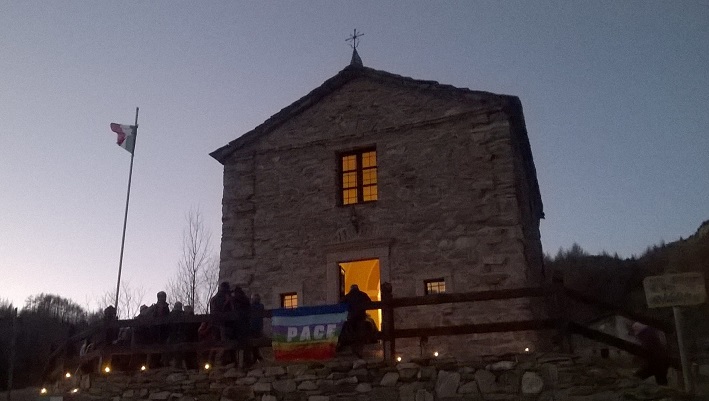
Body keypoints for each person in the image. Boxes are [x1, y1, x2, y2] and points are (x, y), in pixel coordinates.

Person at [342, 284, 372, 357]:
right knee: (360, 335)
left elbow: (341, 304)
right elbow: (370, 303)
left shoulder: (348, 296)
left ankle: (354, 351)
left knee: (352, 334)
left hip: (351, 318)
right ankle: (360, 351)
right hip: (361, 317)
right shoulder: (363, 295)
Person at [247, 293, 265, 366]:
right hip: (255, 326)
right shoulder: (260, 306)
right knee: (255, 342)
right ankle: (257, 357)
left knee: (255, 342)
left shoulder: (255, 306)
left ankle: (256, 357)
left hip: (254, 326)